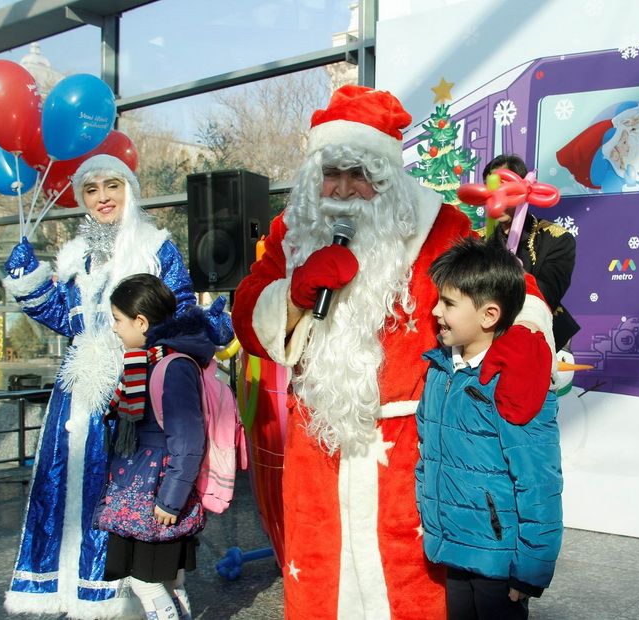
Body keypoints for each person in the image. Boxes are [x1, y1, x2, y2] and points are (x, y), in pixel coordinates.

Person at [232, 85, 556, 619]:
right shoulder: (292, 234)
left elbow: (507, 287)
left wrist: (524, 336)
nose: (342, 189)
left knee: (410, 584)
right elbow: (247, 315)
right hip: (320, 442)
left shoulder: (437, 227)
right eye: (331, 174)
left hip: (410, 446)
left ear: (386, 176)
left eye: (358, 174)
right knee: (321, 577)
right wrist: (291, 296)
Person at [2, 154, 230, 618]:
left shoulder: (156, 246)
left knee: (125, 496)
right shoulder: (75, 254)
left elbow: (175, 310)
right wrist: (30, 285)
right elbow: (64, 317)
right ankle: (70, 589)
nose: (102, 197)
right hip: (77, 395)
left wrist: (205, 328)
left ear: (130, 189)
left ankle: (124, 597)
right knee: (66, 490)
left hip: (134, 390)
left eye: (112, 186)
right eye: (91, 189)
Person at [417, 238, 563, 620]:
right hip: (454, 548)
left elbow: (540, 484)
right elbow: (428, 455)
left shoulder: (515, 380)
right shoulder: (439, 370)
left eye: (448, 303)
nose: (435, 311)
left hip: (499, 561)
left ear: (489, 315)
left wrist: (530, 571)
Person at [96, 273, 211, 620]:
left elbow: (189, 438)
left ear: (141, 321)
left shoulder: (170, 366)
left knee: (146, 582)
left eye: (118, 320)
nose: (115, 329)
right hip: (143, 488)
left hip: (155, 494)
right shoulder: (151, 361)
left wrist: (171, 499)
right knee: (170, 582)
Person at [482, 154, 580, 351]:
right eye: (491, 189)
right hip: (486, 337)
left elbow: (548, 293)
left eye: (505, 188)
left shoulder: (557, 239)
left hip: (541, 337)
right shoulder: (476, 241)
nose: (497, 197)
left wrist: (510, 273)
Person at [556, 85, 639, 193]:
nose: (635, 127)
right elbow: (597, 177)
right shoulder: (610, 156)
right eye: (629, 123)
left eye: (638, 122)